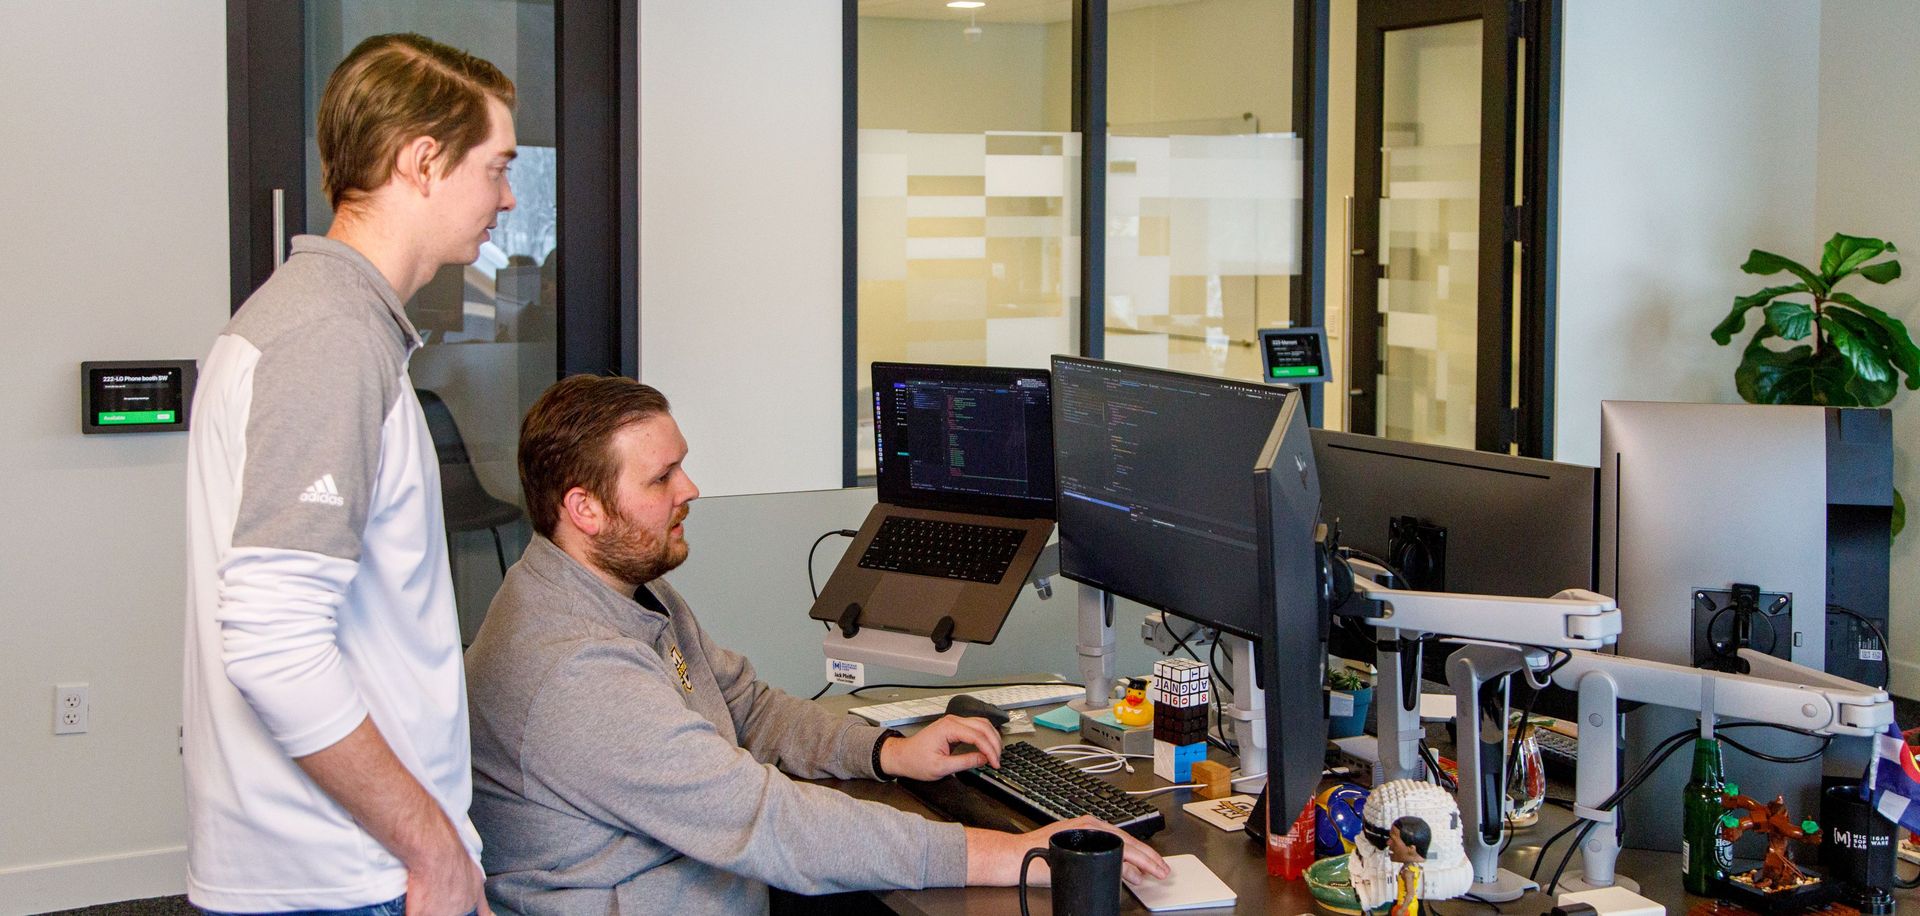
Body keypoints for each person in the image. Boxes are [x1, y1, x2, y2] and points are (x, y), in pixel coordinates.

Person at [465, 375, 1167, 914]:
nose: (691, 489)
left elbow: (748, 708)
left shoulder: (620, 584)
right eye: (661, 478)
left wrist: (885, 752)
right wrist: (1008, 855)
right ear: (584, 508)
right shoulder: (573, 669)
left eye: (682, 466)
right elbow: (767, 820)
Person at [183, 32, 518, 915]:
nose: (508, 198)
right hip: (345, 875)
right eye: (495, 167)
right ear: (422, 160)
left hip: (341, 866)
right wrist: (435, 849)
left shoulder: (332, 326)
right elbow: (273, 643)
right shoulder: (326, 338)